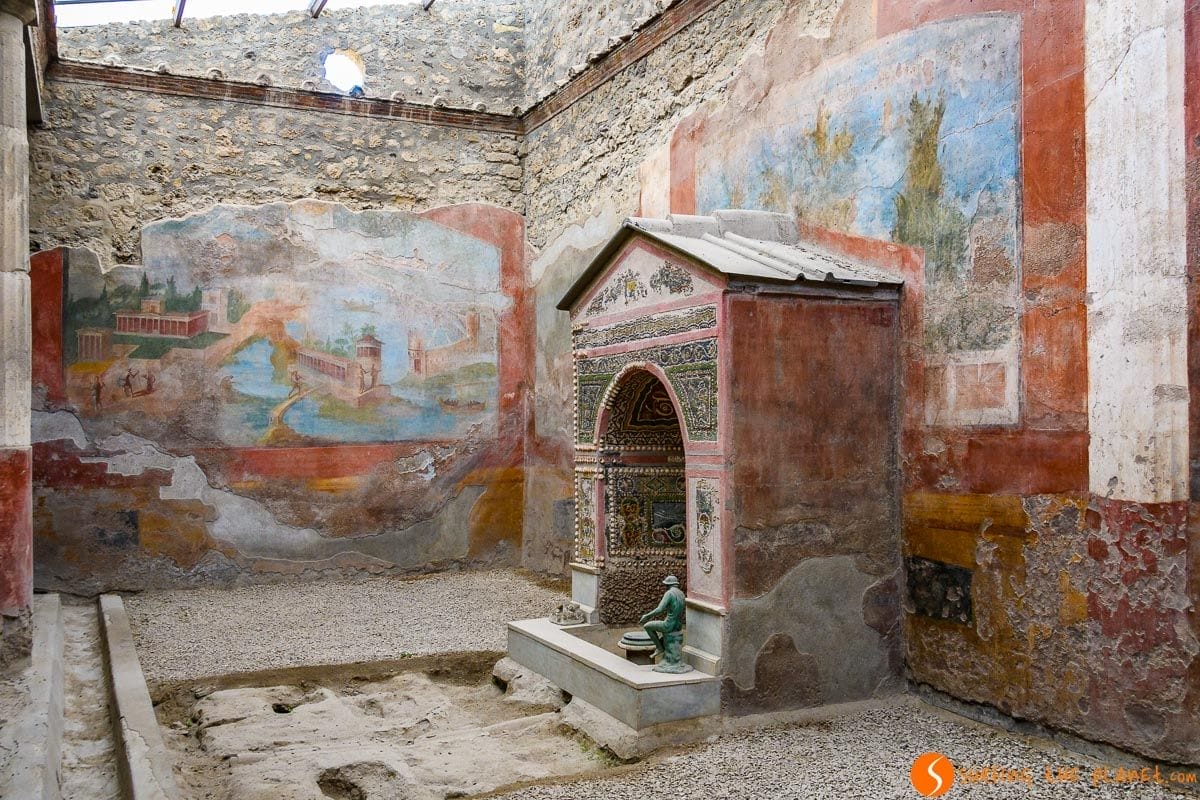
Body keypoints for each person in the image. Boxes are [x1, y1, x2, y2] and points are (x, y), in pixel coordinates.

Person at [639, 575, 685, 661]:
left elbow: (660, 609)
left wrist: (647, 616)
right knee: (661, 632)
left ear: (668, 585)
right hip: (678, 626)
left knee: (647, 626)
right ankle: (663, 646)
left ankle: (659, 648)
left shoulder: (669, 593)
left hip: (669, 625)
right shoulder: (681, 594)